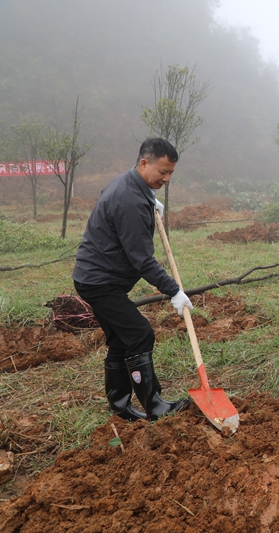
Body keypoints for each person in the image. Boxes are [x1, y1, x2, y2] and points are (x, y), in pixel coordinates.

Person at [72, 138, 193, 422]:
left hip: (94, 276)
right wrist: (174, 291)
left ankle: (120, 407)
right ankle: (154, 405)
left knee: (121, 340)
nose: (166, 178)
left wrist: (151, 201)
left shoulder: (128, 185)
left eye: (171, 173)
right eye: (162, 172)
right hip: (100, 282)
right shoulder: (130, 200)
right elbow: (142, 260)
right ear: (144, 163)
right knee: (140, 334)